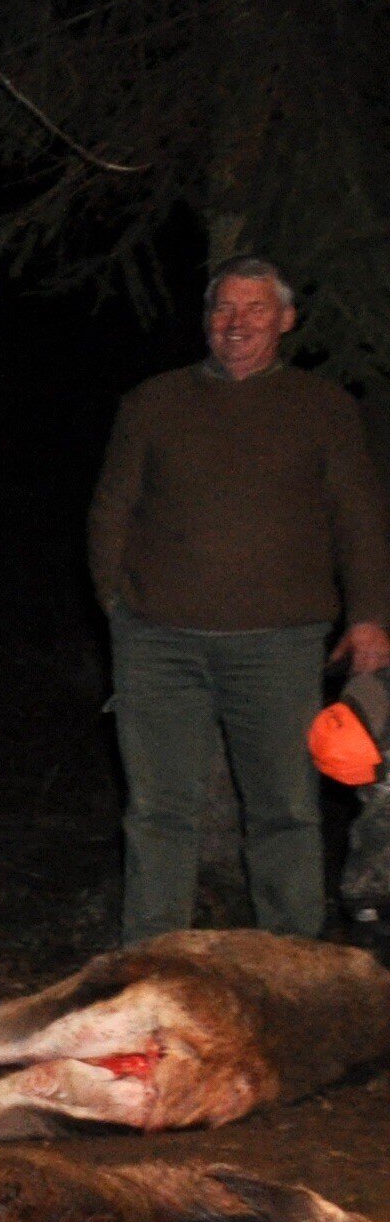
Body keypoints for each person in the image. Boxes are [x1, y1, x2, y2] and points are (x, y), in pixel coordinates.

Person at [89, 255, 390, 941]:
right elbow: (112, 509)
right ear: (206, 319)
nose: (236, 323)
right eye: (223, 308)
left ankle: (291, 962)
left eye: (255, 309)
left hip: (280, 644)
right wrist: (117, 604)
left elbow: (359, 519)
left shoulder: (323, 408)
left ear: (285, 320)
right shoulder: (155, 402)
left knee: (285, 809)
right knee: (159, 811)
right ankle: (156, 960)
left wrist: (370, 615)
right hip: (159, 641)